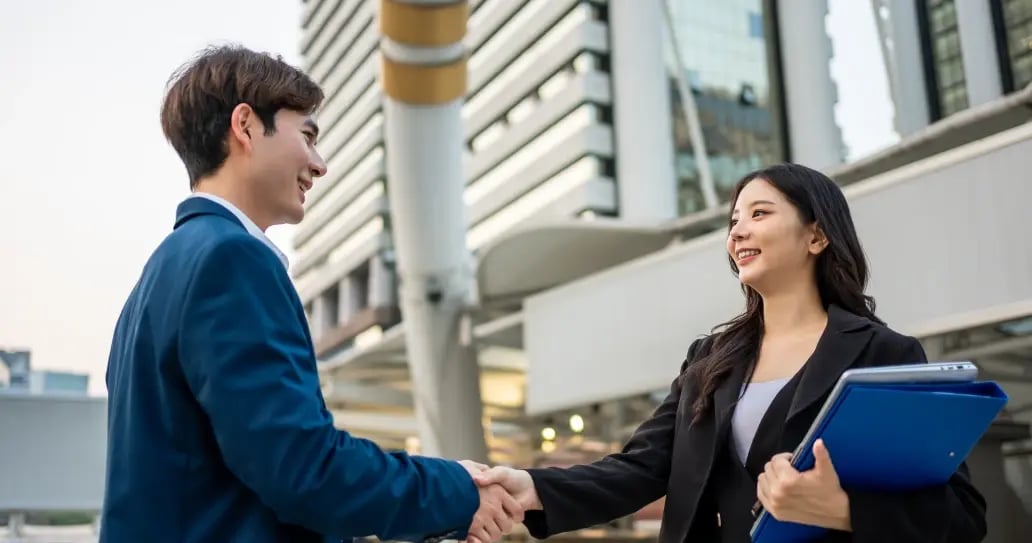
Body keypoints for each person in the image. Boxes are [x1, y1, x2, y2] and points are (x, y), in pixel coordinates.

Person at [100, 45, 522, 543]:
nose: (319, 165)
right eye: (307, 136)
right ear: (246, 126)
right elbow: (302, 469)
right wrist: (459, 491)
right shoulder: (231, 261)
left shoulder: (156, 279)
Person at [470, 163, 988, 543]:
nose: (737, 230)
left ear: (817, 235)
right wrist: (531, 486)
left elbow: (962, 517)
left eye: (759, 213)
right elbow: (642, 468)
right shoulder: (710, 358)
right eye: (734, 220)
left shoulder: (883, 352)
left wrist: (843, 510)